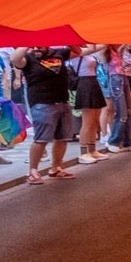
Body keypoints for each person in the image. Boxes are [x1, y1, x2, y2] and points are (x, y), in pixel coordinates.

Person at [11, 45, 78, 184]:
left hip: (62, 101)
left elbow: (78, 51)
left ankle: (56, 168)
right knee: (41, 139)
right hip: (42, 104)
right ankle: (32, 171)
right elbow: (15, 59)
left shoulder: (59, 53)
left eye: (40, 45)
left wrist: (68, 40)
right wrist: (27, 42)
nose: (37, 48)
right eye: (34, 46)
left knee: (63, 138)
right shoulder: (28, 59)